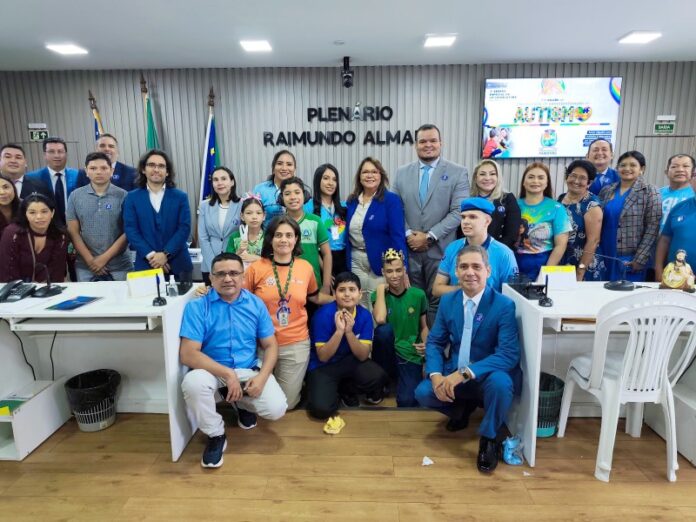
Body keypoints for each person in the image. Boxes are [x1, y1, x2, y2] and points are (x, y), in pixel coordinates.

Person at [414, 245, 521, 473]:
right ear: (456, 271)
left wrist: (464, 373)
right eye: (464, 267)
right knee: (424, 392)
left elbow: (508, 354)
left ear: (488, 271)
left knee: (502, 384)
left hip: (486, 375)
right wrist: (436, 375)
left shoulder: (503, 305)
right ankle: (461, 411)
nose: (470, 272)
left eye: (476, 267)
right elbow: (435, 342)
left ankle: (489, 439)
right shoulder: (448, 301)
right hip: (455, 370)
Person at [180, 252, 287, 468]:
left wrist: (262, 378)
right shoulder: (197, 307)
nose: (227, 278)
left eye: (233, 273)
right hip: (212, 372)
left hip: (247, 370)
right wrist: (228, 375)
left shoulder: (255, 304)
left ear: (242, 276)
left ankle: (241, 403)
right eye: (220, 274)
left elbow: (270, 345)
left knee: (276, 408)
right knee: (193, 383)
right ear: (211, 278)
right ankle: (216, 434)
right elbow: (188, 353)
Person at [244, 216, 333, 409]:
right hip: (261, 343)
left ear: (296, 239)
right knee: (256, 394)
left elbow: (314, 297)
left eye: (289, 235)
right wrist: (208, 291)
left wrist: (339, 300)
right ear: (270, 239)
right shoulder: (256, 268)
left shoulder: (305, 267)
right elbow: (240, 301)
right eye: (278, 235)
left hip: (295, 343)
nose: (283, 240)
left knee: (287, 404)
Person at [392, 124, 468, 322]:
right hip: (410, 252)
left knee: (438, 305)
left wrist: (429, 236)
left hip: (441, 251)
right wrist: (408, 234)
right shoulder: (401, 173)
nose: (428, 145)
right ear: (415, 145)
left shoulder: (458, 172)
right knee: (412, 302)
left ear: (441, 143)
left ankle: (434, 341)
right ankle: (414, 340)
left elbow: (458, 211)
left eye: (433, 140)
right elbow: (395, 209)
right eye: (423, 141)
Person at [307, 271, 388, 419]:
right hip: (323, 366)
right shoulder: (322, 315)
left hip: (349, 361)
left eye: (352, 290)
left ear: (360, 294)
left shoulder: (364, 315)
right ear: (334, 293)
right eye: (342, 290)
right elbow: (323, 357)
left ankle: (346, 389)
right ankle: (332, 390)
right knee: (321, 409)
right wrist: (339, 332)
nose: (347, 294)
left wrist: (349, 332)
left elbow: (363, 356)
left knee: (378, 377)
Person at [346, 157, 407, 309]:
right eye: (365, 172)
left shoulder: (391, 200)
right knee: (357, 303)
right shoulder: (352, 201)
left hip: (381, 262)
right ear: (359, 176)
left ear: (381, 176)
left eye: (374, 172)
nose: (370, 175)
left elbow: (398, 236)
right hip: (355, 259)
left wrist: (402, 268)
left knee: (377, 304)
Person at [123, 149, 193, 280]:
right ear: (143, 169)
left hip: (178, 265)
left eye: (161, 166)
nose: (156, 169)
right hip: (146, 265)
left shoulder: (180, 197)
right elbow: (131, 230)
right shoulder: (132, 198)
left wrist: (165, 254)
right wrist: (152, 256)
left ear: (167, 172)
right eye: (151, 165)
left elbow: (184, 228)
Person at [371, 249, 429, 407]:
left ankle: (400, 380)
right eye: (389, 271)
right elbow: (380, 319)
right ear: (383, 272)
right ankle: (383, 380)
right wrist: (380, 289)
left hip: (409, 353)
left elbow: (424, 327)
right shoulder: (378, 295)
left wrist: (426, 346)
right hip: (388, 353)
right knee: (383, 331)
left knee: (407, 401)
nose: (394, 275)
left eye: (398, 270)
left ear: (404, 270)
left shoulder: (418, 295)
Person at [66, 152, 132, 282]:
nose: (98, 172)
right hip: (86, 266)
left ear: (111, 170)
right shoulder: (75, 196)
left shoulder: (124, 196)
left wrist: (103, 259)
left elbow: (128, 232)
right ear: (86, 171)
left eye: (103, 168)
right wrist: (91, 261)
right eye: (93, 168)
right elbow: (73, 232)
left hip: (120, 266)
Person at [433, 197, 518, 295]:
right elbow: (436, 289)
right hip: (456, 304)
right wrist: (465, 289)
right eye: (463, 217)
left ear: (487, 221)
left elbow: (513, 296)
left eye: (472, 217)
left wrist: (472, 292)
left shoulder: (504, 254)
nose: (465, 221)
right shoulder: (452, 248)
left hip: (490, 305)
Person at [598, 151, 661, 282]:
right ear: (617, 168)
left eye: (633, 165)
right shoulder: (607, 190)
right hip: (604, 252)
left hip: (630, 257)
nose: (627, 168)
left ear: (642, 169)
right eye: (623, 165)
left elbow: (652, 228)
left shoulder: (650, 191)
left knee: (627, 292)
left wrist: (640, 258)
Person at [515, 162, 571, 280]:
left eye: (541, 178)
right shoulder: (514, 205)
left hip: (543, 264)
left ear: (547, 183)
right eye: (531, 177)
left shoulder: (557, 208)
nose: (535, 181)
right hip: (514, 264)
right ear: (524, 182)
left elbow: (561, 245)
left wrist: (545, 273)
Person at [279, 177, 332, 295]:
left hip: (313, 285)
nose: (293, 197)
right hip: (285, 287)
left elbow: (326, 254)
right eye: (287, 194)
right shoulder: (277, 224)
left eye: (297, 192)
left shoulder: (315, 221)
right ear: (281, 198)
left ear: (304, 195)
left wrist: (326, 284)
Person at [0, 193, 68, 283]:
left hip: (45, 286)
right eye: (32, 212)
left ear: (52, 213)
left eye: (44, 211)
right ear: (25, 214)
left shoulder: (60, 235)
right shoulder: (12, 233)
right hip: (14, 286)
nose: (39, 217)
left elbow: (57, 271)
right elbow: (7, 270)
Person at [558, 159, 604, 281]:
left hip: (584, 266)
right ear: (567, 177)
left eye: (582, 178)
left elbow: (593, 241)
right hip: (562, 262)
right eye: (573, 175)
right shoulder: (560, 199)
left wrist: (580, 271)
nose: (576, 181)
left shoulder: (592, 205)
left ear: (589, 182)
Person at [198, 166, 242, 285]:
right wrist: (214, 266)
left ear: (232, 182)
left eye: (223, 179)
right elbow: (203, 238)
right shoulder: (204, 206)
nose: (219, 183)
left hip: (234, 264)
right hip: (210, 265)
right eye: (215, 180)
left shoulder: (242, 204)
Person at [655, 161, 696, 282]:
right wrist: (658, 270)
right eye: (695, 175)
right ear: (691, 180)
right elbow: (664, 240)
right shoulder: (679, 208)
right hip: (674, 277)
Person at [467, 159, 521, 250]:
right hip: (470, 251)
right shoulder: (468, 200)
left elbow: (512, 233)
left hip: (499, 251)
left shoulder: (508, 199)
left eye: (492, 174)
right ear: (475, 178)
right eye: (482, 174)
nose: (487, 178)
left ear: (498, 177)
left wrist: (494, 251)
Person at [304, 163, 348, 276]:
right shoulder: (308, 208)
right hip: (320, 258)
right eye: (326, 178)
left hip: (344, 259)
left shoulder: (344, 207)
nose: (330, 183)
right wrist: (325, 269)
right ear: (317, 180)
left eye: (334, 179)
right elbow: (309, 243)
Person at [27, 137, 80, 223]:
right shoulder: (32, 178)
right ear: (45, 155)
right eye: (51, 152)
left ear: (66, 154)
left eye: (60, 151)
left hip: (75, 224)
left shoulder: (78, 175)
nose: (56, 155)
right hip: (46, 225)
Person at [253, 149, 296, 227]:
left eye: (289, 164)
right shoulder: (260, 190)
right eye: (279, 163)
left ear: (294, 169)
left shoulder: (299, 191)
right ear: (273, 168)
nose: (284, 168)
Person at [226, 194, 265, 267]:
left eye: (258, 213)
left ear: (264, 216)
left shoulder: (269, 237)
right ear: (242, 216)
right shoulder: (234, 237)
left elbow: (274, 261)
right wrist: (239, 251)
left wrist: (256, 258)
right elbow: (227, 262)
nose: (254, 217)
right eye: (249, 213)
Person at [659, 154, 695, 230]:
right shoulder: (656, 194)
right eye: (674, 166)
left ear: (693, 172)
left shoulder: (694, 196)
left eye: (685, 166)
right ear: (666, 172)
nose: (680, 170)